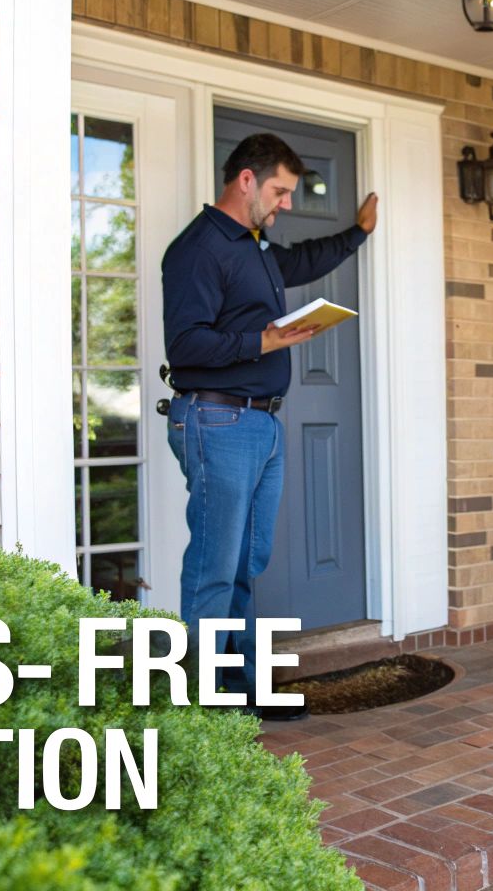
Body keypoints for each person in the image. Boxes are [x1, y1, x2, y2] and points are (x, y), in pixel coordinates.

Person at [161, 132, 377, 722]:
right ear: (247, 180)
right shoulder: (199, 249)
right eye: (280, 191)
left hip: (261, 425)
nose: (286, 203)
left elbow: (304, 262)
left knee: (245, 563)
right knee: (214, 566)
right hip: (217, 418)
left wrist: (358, 234)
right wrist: (266, 339)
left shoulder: (255, 248)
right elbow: (185, 347)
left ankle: (245, 688)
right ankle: (205, 705)